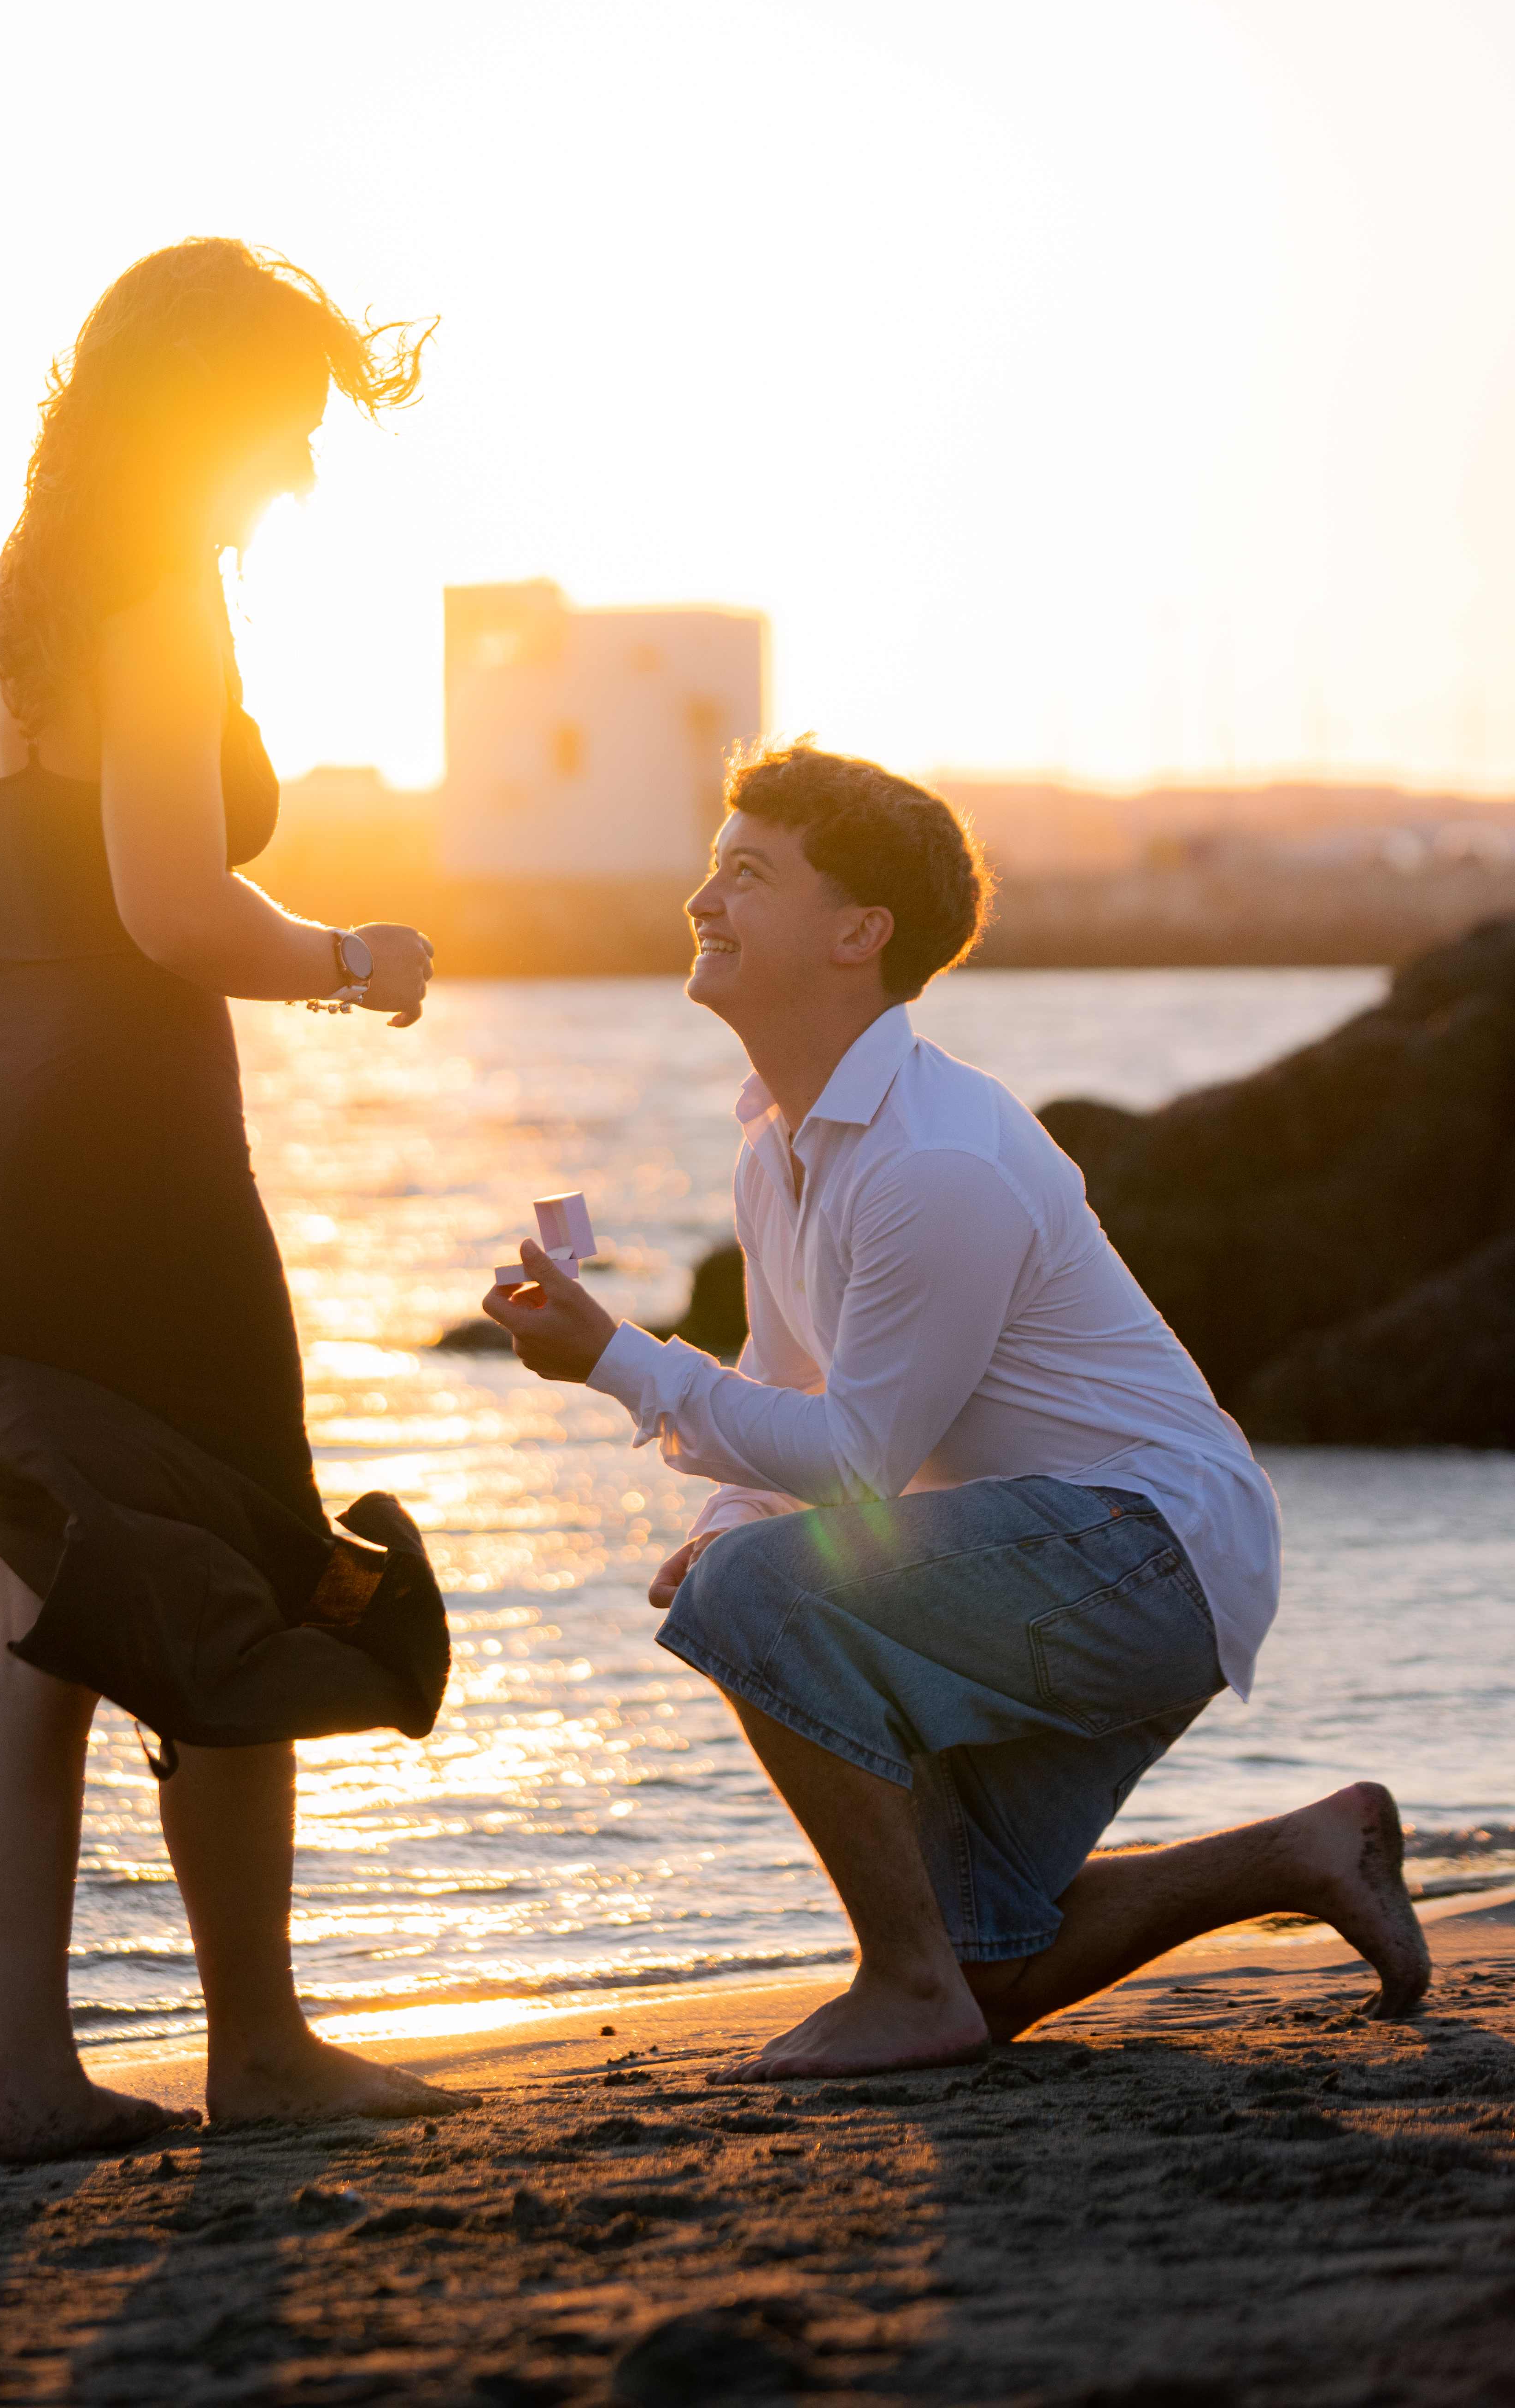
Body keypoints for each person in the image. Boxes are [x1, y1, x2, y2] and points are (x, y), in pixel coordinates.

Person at [484, 739, 1428, 2081]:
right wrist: (737, 1515)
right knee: (995, 1959)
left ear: (857, 932)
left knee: (759, 1601)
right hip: (1081, 1557)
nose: (703, 900)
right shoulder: (782, 1145)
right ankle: (1300, 1852)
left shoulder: (932, 1161)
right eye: (713, 869)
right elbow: (789, 1379)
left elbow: (862, 1461)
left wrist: (623, 1364)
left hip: (1147, 1549)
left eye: (747, 875)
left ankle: (900, 1983)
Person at [0, 238, 470, 2162]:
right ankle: (261, 2053)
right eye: (288, 425)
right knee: (238, 1565)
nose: (301, 471)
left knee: (40, 1641)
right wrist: (350, 955)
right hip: (132, 1180)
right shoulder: (160, 602)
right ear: (203, 412)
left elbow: (50, 910)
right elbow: (165, 910)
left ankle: (36, 2088)